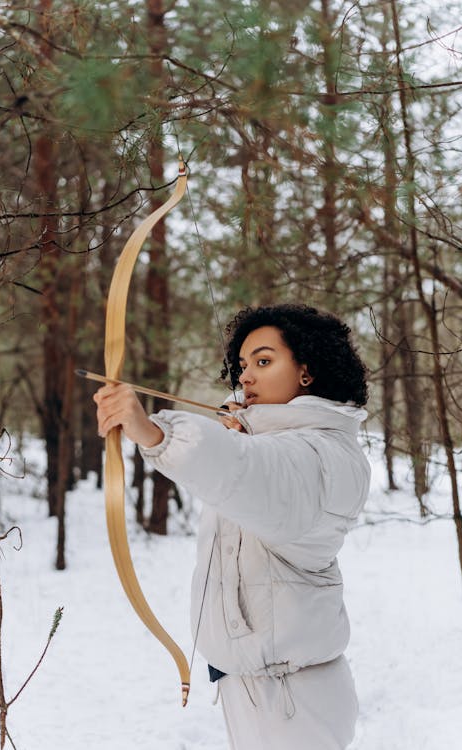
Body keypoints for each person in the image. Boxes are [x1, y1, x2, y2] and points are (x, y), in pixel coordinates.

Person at [94, 303, 370, 750]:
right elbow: (248, 467)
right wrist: (243, 432)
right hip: (257, 687)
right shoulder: (268, 444)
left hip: (293, 700)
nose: (245, 377)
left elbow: (252, 473)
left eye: (263, 361)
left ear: (306, 370)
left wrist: (154, 433)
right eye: (242, 365)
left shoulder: (324, 455)